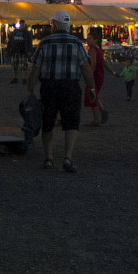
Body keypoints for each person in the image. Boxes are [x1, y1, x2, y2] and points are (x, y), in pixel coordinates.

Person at [26, 11, 96, 174]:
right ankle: (67, 157)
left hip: (49, 86)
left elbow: (35, 68)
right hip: (71, 86)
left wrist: (30, 87)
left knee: (48, 121)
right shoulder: (76, 43)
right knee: (71, 122)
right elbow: (85, 67)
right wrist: (91, 88)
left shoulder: (45, 42)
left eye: (51, 24)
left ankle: (49, 158)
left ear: (55, 25)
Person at [84, 28, 112, 126]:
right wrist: (112, 72)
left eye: (90, 38)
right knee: (94, 95)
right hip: (100, 75)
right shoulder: (98, 49)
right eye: (87, 38)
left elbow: (93, 64)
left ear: (95, 39)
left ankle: (96, 119)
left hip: (95, 75)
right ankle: (102, 112)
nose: (88, 40)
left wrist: (89, 76)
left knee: (92, 96)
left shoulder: (92, 50)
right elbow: (103, 63)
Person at [7, 19, 32, 84]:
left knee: (23, 66)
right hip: (15, 51)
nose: (22, 26)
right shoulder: (14, 32)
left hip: (23, 51)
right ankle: (15, 78)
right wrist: (8, 49)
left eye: (23, 24)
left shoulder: (27, 33)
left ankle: (24, 78)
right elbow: (10, 41)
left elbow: (29, 42)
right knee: (14, 65)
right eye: (21, 24)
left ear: (24, 25)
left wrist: (29, 50)